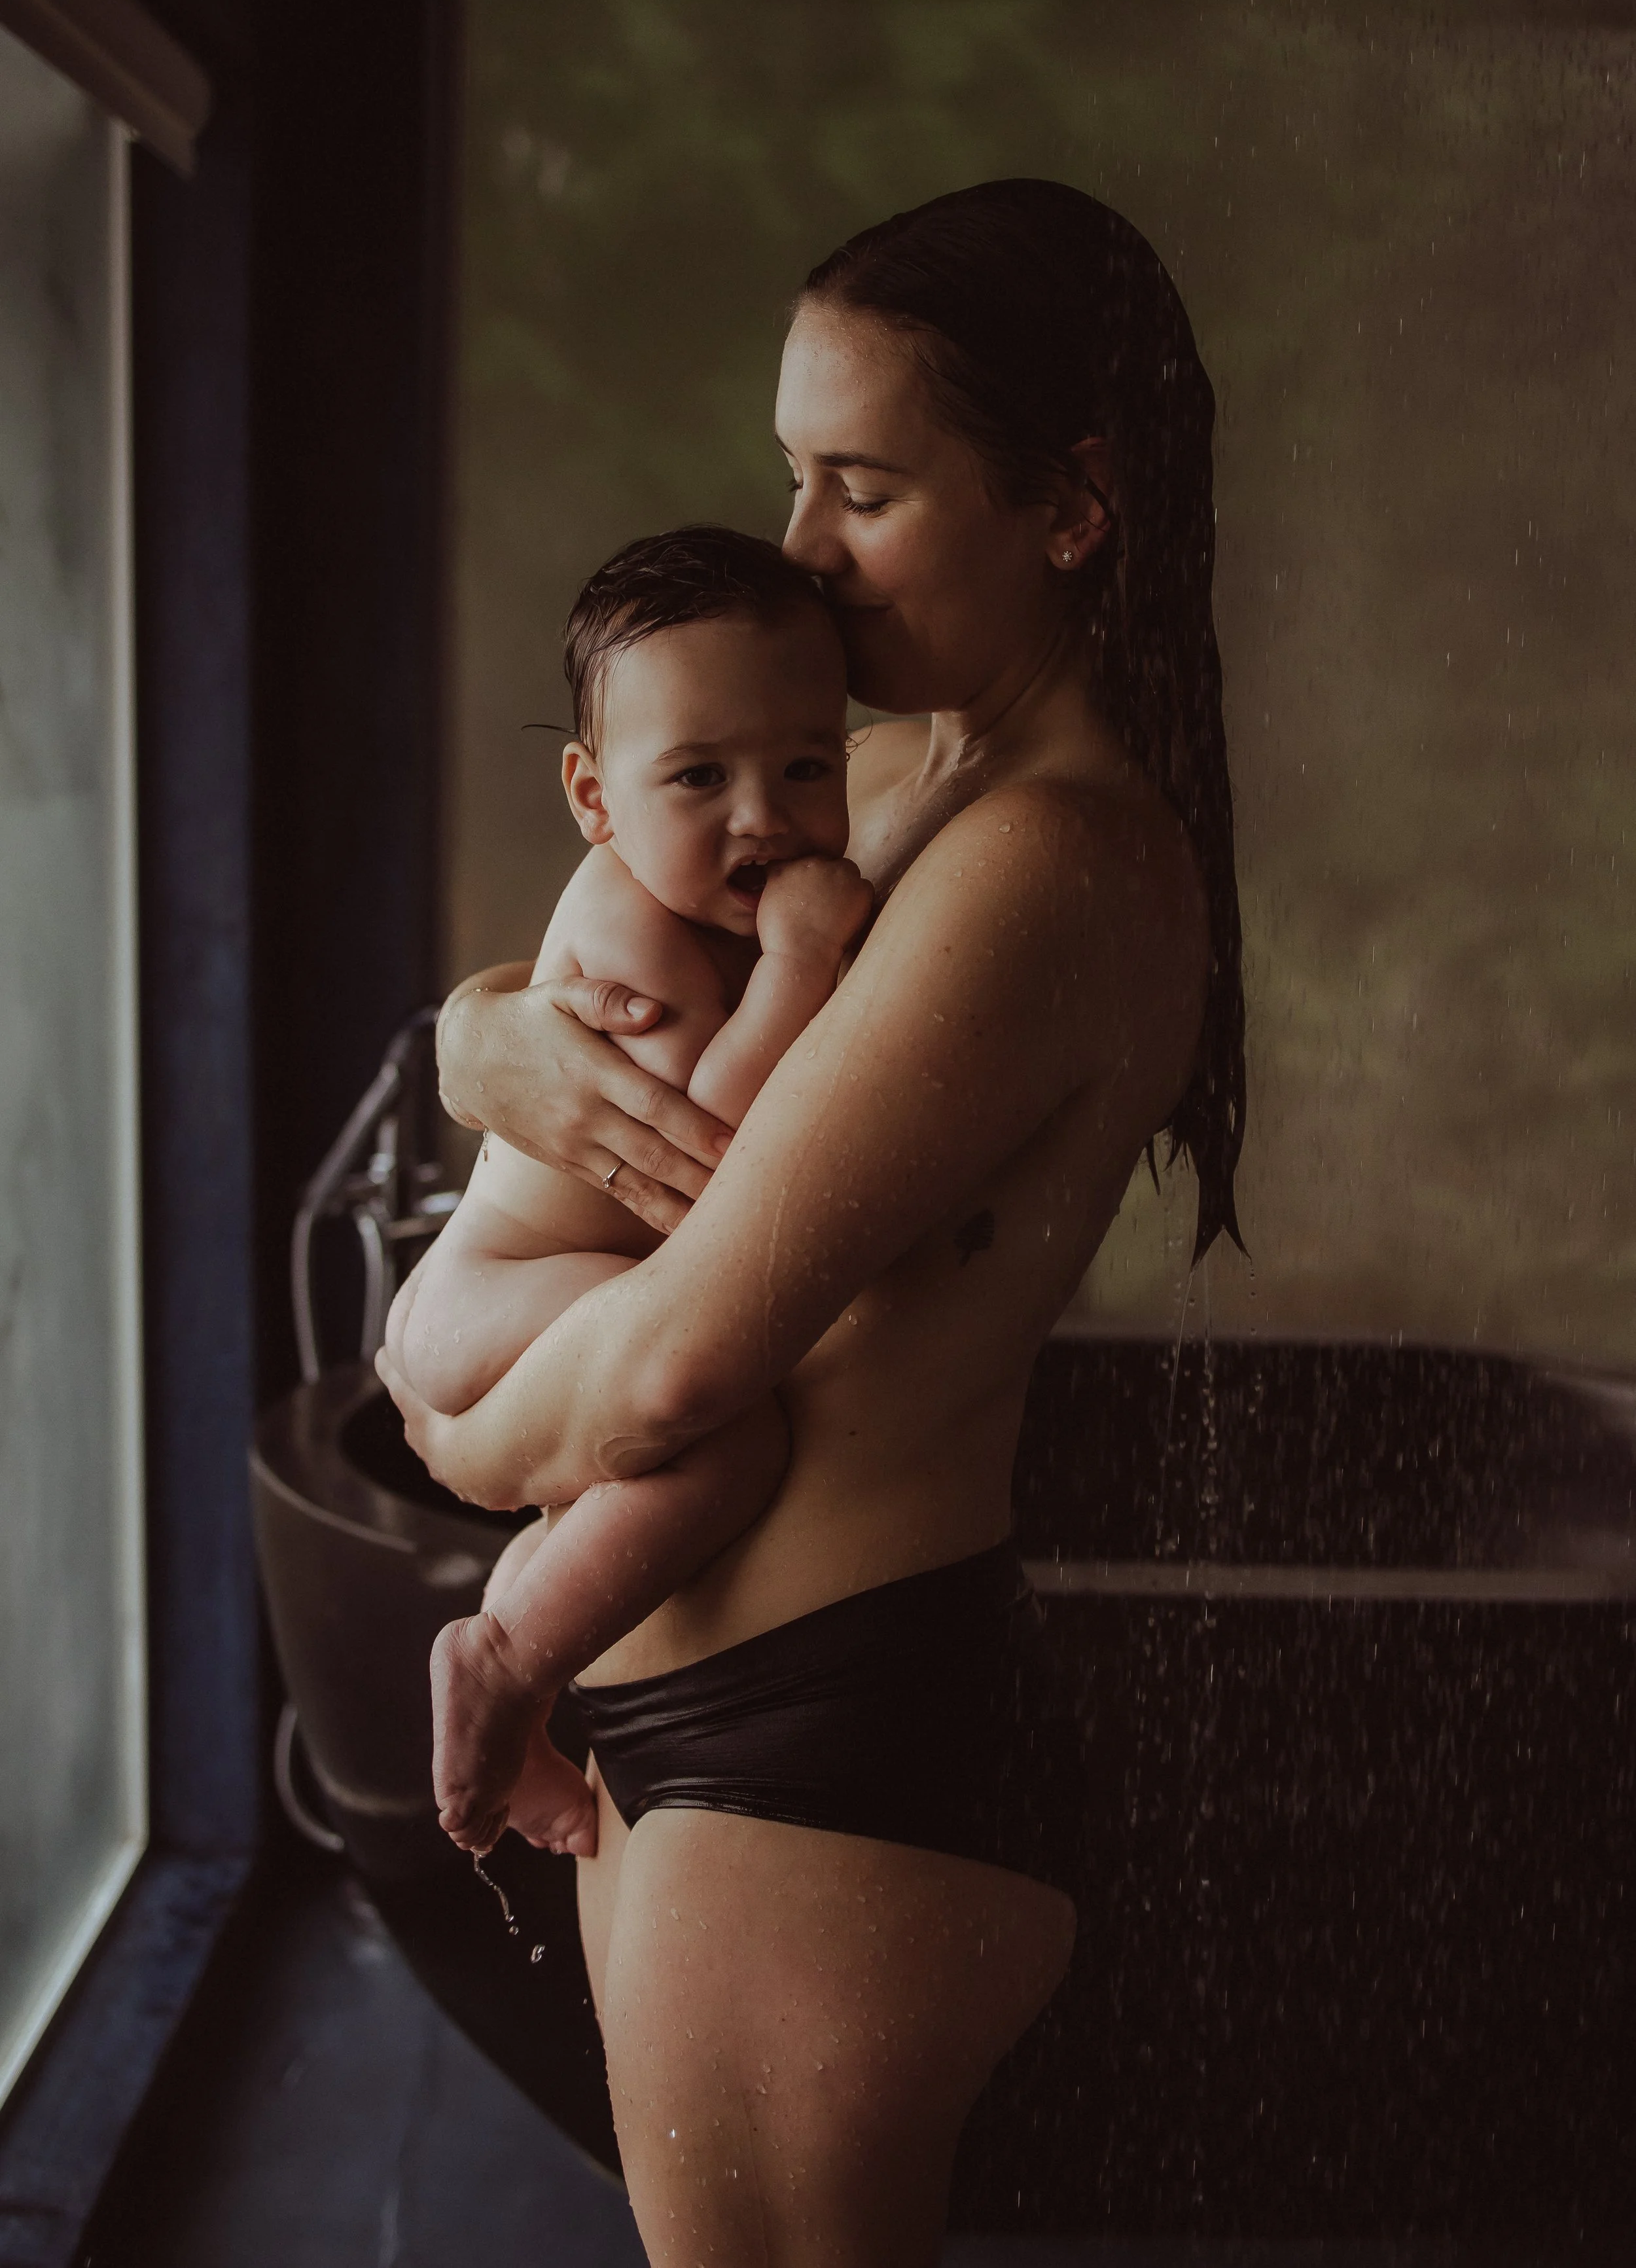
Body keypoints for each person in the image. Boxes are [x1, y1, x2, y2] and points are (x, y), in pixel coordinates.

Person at [378, 178, 1245, 2267]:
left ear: (1070, 505)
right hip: (724, 1727)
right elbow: (606, 965)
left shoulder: (1044, 859)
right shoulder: (876, 789)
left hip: (821, 1748)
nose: (800, 549)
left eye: (862, 487)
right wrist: (482, 1042)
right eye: (792, 476)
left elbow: (680, 1363)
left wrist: (438, 1406)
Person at [386, 527, 869, 1858]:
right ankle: (504, 1658)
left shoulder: (699, 895)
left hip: (524, 1293)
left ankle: (516, 1698)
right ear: (595, 799)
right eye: (701, 776)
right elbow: (712, 1144)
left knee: (614, 1493)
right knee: (735, 1445)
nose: (763, 815)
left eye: (805, 767)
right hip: (492, 1294)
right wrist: (803, 963)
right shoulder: (631, 926)